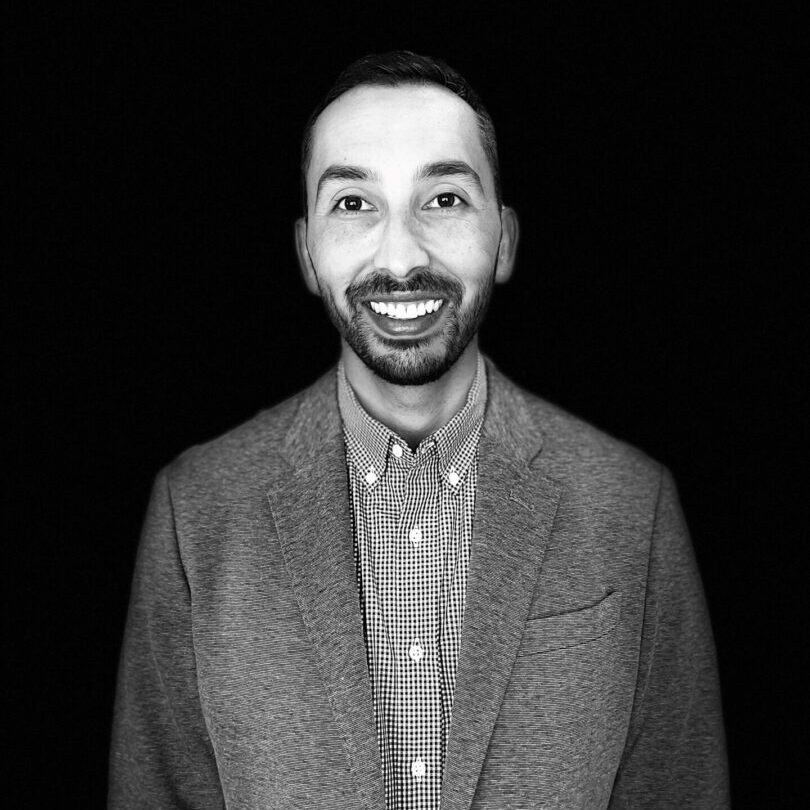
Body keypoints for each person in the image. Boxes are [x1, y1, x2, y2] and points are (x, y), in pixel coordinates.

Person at [109, 51, 729, 809]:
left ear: (504, 237)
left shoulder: (634, 507)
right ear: (307, 252)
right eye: (353, 204)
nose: (401, 256)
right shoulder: (195, 513)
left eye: (443, 199)